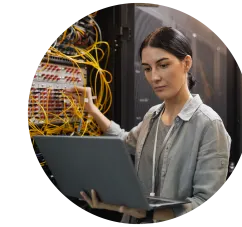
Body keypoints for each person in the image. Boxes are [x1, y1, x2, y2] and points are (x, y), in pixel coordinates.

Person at [65, 26, 231, 224]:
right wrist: (92, 111)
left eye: (163, 65)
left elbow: (205, 201)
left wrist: (148, 213)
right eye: (147, 68)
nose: (154, 77)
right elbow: (125, 141)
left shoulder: (209, 125)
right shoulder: (152, 115)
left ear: (186, 63)